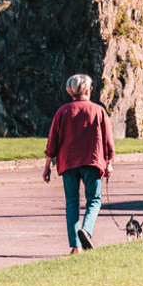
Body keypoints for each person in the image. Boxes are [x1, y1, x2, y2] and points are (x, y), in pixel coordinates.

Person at [44, 74, 114, 254]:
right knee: (94, 200)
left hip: (68, 163)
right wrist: (109, 162)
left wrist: (47, 167)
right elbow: (107, 140)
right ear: (87, 90)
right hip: (92, 161)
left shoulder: (62, 112)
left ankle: (76, 246)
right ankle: (87, 231)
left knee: (72, 203)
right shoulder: (98, 111)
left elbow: (53, 142)